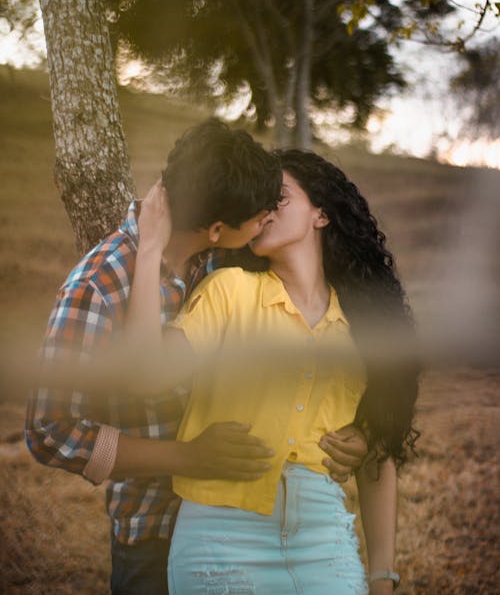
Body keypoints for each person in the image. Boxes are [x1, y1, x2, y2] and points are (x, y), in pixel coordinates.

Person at [25, 121, 368, 595]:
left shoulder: (222, 259)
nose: (268, 217)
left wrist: (359, 432)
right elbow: (49, 430)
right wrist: (187, 457)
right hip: (152, 528)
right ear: (216, 229)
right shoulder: (99, 287)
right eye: (262, 212)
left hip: (255, 516)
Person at [131, 148, 420, 595]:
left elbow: (377, 453)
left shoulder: (364, 325)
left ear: (321, 214)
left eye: (279, 197)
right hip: (221, 539)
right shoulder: (229, 291)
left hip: (326, 541)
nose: (263, 209)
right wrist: (149, 249)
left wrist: (383, 576)